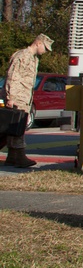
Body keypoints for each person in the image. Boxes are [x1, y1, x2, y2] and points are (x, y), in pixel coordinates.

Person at [2, 33, 53, 168]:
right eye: (45, 48)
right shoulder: (22, 56)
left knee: (17, 127)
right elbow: (12, 77)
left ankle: (12, 157)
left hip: (24, 97)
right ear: (38, 43)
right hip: (17, 97)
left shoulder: (33, 58)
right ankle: (19, 156)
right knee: (16, 126)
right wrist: (10, 97)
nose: (46, 51)